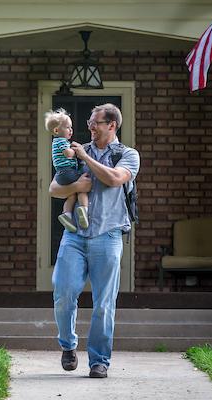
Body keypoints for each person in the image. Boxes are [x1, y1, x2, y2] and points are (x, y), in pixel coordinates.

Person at [49, 103, 140, 378]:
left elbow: (114, 178)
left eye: (96, 122)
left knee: (104, 302)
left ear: (111, 125)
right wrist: (76, 186)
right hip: (74, 235)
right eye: (89, 121)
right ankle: (68, 345)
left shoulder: (128, 155)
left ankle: (99, 360)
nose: (90, 126)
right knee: (63, 293)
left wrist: (86, 158)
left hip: (108, 235)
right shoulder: (75, 149)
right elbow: (54, 189)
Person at [45, 108, 89, 232]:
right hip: (68, 171)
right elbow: (68, 154)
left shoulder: (55, 142)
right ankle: (84, 210)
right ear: (57, 130)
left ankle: (66, 214)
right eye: (68, 127)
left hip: (61, 174)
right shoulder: (62, 141)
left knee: (71, 195)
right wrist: (76, 151)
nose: (71, 130)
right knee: (81, 189)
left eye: (71, 127)